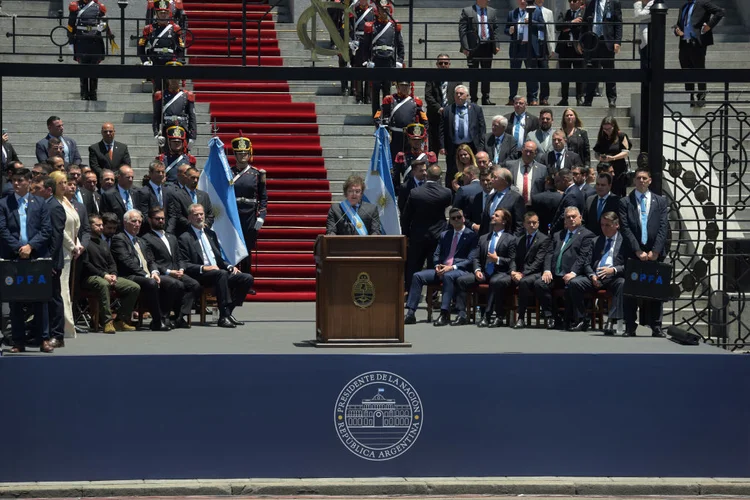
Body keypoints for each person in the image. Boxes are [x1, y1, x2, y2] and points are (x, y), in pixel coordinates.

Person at [0, 168, 53, 353]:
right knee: (15, 301)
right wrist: (18, 248)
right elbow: (3, 229)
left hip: (36, 257)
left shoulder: (40, 203)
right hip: (13, 258)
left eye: (20, 180)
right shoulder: (4, 204)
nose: (16, 183)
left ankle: (44, 339)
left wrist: (31, 247)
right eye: (14, 180)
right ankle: (18, 341)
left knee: (41, 299)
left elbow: (46, 229)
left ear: (29, 181)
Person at [178, 203, 254, 328]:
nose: (199, 217)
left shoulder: (210, 234)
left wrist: (229, 266)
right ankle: (223, 316)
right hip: (201, 275)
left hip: (218, 272)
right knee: (221, 274)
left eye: (201, 214)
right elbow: (185, 263)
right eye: (195, 215)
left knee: (246, 278)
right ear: (189, 218)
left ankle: (228, 311)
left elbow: (218, 259)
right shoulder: (184, 237)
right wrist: (204, 268)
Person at [404, 207, 478, 326]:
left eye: (459, 217)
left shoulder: (471, 236)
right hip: (442, 268)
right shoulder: (445, 235)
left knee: (448, 276)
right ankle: (411, 313)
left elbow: (470, 259)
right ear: (451, 221)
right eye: (453, 218)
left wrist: (452, 267)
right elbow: (437, 254)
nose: (457, 220)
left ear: (463, 218)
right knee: (417, 276)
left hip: (460, 270)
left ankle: (444, 313)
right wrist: (437, 265)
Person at [618, 168, 669, 337]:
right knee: (631, 291)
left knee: (656, 290)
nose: (641, 181)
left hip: (655, 254)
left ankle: (656, 325)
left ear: (650, 181)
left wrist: (655, 251)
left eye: (644, 178)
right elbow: (625, 228)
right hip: (634, 253)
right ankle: (630, 326)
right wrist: (637, 249)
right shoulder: (626, 201)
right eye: (638, 178)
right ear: (634, 180)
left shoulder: (660, 201)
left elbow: (663, 227)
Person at [535, 206, 595, 329]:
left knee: (571, 286)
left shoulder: (587, 235)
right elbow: (549, 253)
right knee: (540, 284)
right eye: (568, 217)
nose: (571, 219)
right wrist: (546, 270)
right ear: (564, 220)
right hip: (555, 274)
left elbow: (583, 257)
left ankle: (573, 319)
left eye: (574, 216)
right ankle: (553, 317)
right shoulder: (558, 235)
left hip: (572, 275)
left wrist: (574, 272)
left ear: (580, 218)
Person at [568, 211, 629, 333]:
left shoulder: (625, 242)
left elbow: (628, 265)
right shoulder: (596, 241)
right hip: (596, 276)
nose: (604, 228)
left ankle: (611, 321)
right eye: (602, 225)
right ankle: (582, 319)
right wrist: (592, 275)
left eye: (608, 225)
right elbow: (586, 263)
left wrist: (613, 270)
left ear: (616, 225)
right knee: (574, 283)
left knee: (622, 283)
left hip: (613, 276)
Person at [455, 208, 516, 326]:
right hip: (484, 272)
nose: (493, 216)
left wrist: (497, 259)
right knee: (461, 280)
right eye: (493, 215)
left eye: (497, 215)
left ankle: (490, 316)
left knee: (495, 282)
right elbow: (476, 257)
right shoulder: (484, 238)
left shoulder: (510, 239)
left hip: (501, 273)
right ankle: (461, 314)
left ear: (504, 221)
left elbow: (512, 260)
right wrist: (477, 270)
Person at [111, 209, 170, 331]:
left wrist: (154, 272)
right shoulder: (119, 239)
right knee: (151, 283)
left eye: (139, 221)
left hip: (147, 274)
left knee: (173, 283)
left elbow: (151, 260)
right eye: (134, 221)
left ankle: (167, 318)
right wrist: (145, 275)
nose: (137, 224)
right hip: (128, 275)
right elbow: (126, 261)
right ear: (125, 222)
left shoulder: (141, 240)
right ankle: (157, 321)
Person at [80, 214, 140, 333]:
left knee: (134, 287)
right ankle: (107, 322)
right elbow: (86, 264)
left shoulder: (102, 242)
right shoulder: (84, 242)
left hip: (107, 276)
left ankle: (121, 320)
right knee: (103, 284)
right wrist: (104, 275)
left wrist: (113, 274)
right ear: (90, 226)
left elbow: (111, 262)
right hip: (90, 277)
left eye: (102, 225)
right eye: (98, 225)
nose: (101, 227)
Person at [142, 206, 200, 328]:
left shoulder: (171, 237)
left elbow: (180, 258)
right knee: (175, 284)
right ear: (150, 220)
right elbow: (151, 260)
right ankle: (164, 316)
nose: (161, 221)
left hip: (177, 271)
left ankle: (179, 317)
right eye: (157, 219)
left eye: (163, 218)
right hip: (161, 273)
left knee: (194, 285)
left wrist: (181, 269)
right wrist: (168, 272)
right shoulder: (146, 238)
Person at [401, 164, 452, 288]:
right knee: (434, 265)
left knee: (413, 265)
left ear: (427, 175)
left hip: (418, 235)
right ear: (440, 177)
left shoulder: (415, 192)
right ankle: (433, 294)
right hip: (438, 235)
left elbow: (406, 216)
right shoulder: (446, 193)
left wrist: (405, 234)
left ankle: (410, 292)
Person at [48, 171, 83, 339]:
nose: (64, 186)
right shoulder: (54, 203)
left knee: (66, 289)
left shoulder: (66, 201)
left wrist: (78, 244)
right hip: (61, 250)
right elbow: (59, 231)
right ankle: (64, 326)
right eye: (60, 183)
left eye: (65, 182)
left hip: (71, 249)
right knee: (61, 290)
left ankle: (67, 325)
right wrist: (72, 246)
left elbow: (75, 225)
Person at [673, 0, 724, 107]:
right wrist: (677, 30)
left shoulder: (703, 3)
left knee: (699, 70)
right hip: (684, 43)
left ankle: (701, 97)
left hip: (697, 42)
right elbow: (680, 23)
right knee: (686, 73)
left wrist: (709, 25)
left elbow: (720, 12)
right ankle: (689, 98)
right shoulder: (683, 7)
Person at [231, 135, 268, 270]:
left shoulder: (256, 174)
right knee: (233, 246)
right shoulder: (229, 172)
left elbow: (263, 197)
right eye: (239, 153)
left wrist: (261, 217)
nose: (242, 156)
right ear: (235, 154)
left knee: (246, 248)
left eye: (245, 153)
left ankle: (246, 281)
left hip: (249, 215)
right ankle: (233, 279)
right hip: (233, 213)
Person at [362, 0, 405, 117]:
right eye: (382, 9)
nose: (384, 12)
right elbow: (365, 46)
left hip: (389, 61)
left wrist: (399, 61)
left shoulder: (393, 26)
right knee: (375, 91)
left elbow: (400, 45)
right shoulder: (372, 26)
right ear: (378, 11)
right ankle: (375, 116)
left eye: (386, 9)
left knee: (387, 91)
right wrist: (367, 61)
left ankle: (386, 116)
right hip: (376, 60)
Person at [439, 85, 486, 189]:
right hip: (453, 146)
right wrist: (442, 146)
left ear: (467, 96)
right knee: (452, 172)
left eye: (461, 94)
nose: (458, 96)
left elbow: (482, 129)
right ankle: (451, 194)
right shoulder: (447, 110)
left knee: (472, 171)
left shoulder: (476, 109)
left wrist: (480, 147)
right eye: (456, 94)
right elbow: (442, 130)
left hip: (471, 145)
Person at [511, 211, 551, 328]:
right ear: (524, 224)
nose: (532, 225)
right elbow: (513, 258)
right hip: (521, 272)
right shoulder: (519, 240)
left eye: (534, 222)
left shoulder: (544, 239)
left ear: (538, 223)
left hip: (536, 272)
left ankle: (521, 317)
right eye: (529, 223)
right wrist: (513, 272)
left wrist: (522, 274)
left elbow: (538, 262)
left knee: (524, 282)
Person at [459, 0, 501, 105]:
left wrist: (496, 44)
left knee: (486, 74)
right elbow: (462, 30)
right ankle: (473, 98)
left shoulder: (492, 11)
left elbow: (495, 29)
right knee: (473, 74)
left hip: (487, 45)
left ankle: (485, 97)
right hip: (473, 47)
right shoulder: (467, 11)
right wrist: (465, 46)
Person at [581, 0, 622, 107]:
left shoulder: (614, 3)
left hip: (606, 40)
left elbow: (618, 23)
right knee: (591, 72)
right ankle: (588, 99)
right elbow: (585, 22)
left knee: (609, 72)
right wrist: (581, 40)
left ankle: (612, 99)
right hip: (593, 40)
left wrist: (617, 41)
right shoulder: (591, 3)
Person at [375, 81, 428, 163]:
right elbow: (377, 117)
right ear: (397, 87)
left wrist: (422, 135)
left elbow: (424, 120)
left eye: (406, 86)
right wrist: (384, 132)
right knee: (393, 161)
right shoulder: (389, 100)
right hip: (394, 136)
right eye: (402, 85)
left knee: (410, 162)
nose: (404, 88)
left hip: (410, 137)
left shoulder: (415, 101)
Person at [67, 0, 110, 100]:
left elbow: (104, 24)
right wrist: (71, 41)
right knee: (82, 69)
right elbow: (70, 25)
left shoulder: (99, 6)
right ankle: (84, 93)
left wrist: (103, 26)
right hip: (81, 40)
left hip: (95, 41)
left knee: (94, 69)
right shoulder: (75, 6)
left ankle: (93, 93)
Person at [137, 0, 185, 86]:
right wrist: (145, 61)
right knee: (157, 88)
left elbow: (180, 47)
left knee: (171, 87)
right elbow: (140, 46)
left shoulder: (175, 28)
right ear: (156, 14)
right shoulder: (149, 28)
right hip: (155, 60)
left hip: (170, 61)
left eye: (165, 13)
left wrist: (179, 60)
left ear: (168, 13)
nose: (163, 15)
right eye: (161, 13)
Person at [424, 55, 460, 155]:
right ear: (437, 65)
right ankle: (433, 169)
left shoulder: (455, 78)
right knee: (433, 150)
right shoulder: (431, 78)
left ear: (449, 64)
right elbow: (428, 95)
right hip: (434, 117)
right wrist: (439, 108)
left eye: (445, 63)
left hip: (450, 117)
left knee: (451, 149)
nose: (443, 65)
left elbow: (459, 95)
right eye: (440, 63)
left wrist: (450, 110)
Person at [167, 167, 214, 236]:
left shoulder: (204, 195)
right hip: (186, 234)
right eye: (193, 177)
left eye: (197, 178)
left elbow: (210, 214)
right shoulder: (177, 195)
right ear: (186, 178)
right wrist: (193, 226)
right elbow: (177, 215)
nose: (195, 180)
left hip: (203, 233)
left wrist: (205, 225)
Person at [556, 0, 586, 106]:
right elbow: (558, 26)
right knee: (564, 75)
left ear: (580, 2)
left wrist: (567, 26)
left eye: (574, 1)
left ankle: (579, 97)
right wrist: (572, 23)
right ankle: (564, 98)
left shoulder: (584, 13)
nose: (572, 3)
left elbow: (584, 28)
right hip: (565, 48)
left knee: (579, 74)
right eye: (570, 1)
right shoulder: (564, 13)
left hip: (578, 48)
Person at [481, 166, 526, 236]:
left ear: (504, 181)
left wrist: (513, 242)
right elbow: (484, 222)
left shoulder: (516, 198)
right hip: (488, 240)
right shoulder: (490, 197)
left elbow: (519, 225)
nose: (491, 179)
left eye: (495, 177)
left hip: (506, 241)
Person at [527, 0, 556, 106]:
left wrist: (551, 47)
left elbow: (550, 29)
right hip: (533, 45)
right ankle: (533, 97)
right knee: (533, 73)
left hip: (543, 45)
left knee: (544, 73)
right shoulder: (530, 10)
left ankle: (544, 97)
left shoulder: (548, 12)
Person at [593, 116, 630, 196]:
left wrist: (613, 158)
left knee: (617, 191)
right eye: (605, 129)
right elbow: (596, 152)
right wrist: (600, 157)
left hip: (618, 168)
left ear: (614, 127)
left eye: (609, 129)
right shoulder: (602, 136)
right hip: (605, 168)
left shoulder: (621, 136)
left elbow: (626, 152)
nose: (607, 131)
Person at [153, 78, 197, 147]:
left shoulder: (187, 95)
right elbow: (156, 117)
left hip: (182, 129)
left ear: (180, 80)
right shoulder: (161, 95)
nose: (173, 81)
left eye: (176, 79)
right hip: (166, 131)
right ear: (168, 80)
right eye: (171, 79)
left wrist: (192, 137)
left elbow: (192, 117)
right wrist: (156, 134)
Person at [505, 0, 533, 106]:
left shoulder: (533, 12)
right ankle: (512, 98)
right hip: (516, 46)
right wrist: (509, 31)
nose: (522, 1)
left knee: (530, 73)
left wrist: (530, 22)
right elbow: (506, 29)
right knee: (514, 74)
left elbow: (540, 25)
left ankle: (531, 98)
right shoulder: (512, 13)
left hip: (529, 46)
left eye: (525, 0)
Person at [348, 0, 375, 104]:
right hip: (358, 43)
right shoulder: (354, 10)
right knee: (358, 69)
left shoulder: (372, 12)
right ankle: (358, 95)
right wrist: (351, 41)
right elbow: (349, 28)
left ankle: (367, 95)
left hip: (368, 43)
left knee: (368, 69)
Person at [505, 140, 546, 206]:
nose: (528, 154)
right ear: (522, 150)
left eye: (531, 152)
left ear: (535, 153)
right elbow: (505, 184)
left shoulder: (542, 169)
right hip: (513, 205)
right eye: (526, 151)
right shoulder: (510, 165)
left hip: (534, 207)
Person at [393, 123, 428, 197]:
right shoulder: (402, 156)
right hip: (408, 193)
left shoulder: (429, 156)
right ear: (409, 140)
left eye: (419, 140)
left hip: (425, 193)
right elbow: (396, 178)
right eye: (414, 139)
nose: (416, 142)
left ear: (423, 140)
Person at [550, 168, 586, 233]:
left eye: (557, 181)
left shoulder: (572, 195)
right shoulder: (571, 191)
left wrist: (553, 230)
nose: (555, 185)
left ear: (565, 180)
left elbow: (565, 216)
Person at [465, 168, 493, 233]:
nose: (485, 183)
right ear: (480, 182)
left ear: (493, 180)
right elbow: (466, 218)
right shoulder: (473, 199)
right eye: (483, 180)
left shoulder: (499, 197)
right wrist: (474, 226)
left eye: (488, 180)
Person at [634, 0, 654, 69]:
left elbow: (638, 16)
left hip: (648, 39)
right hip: (644, 40)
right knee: (644, 62)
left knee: (647, 63)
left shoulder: (653, 3)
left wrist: (638, 2)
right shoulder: (649, 4)